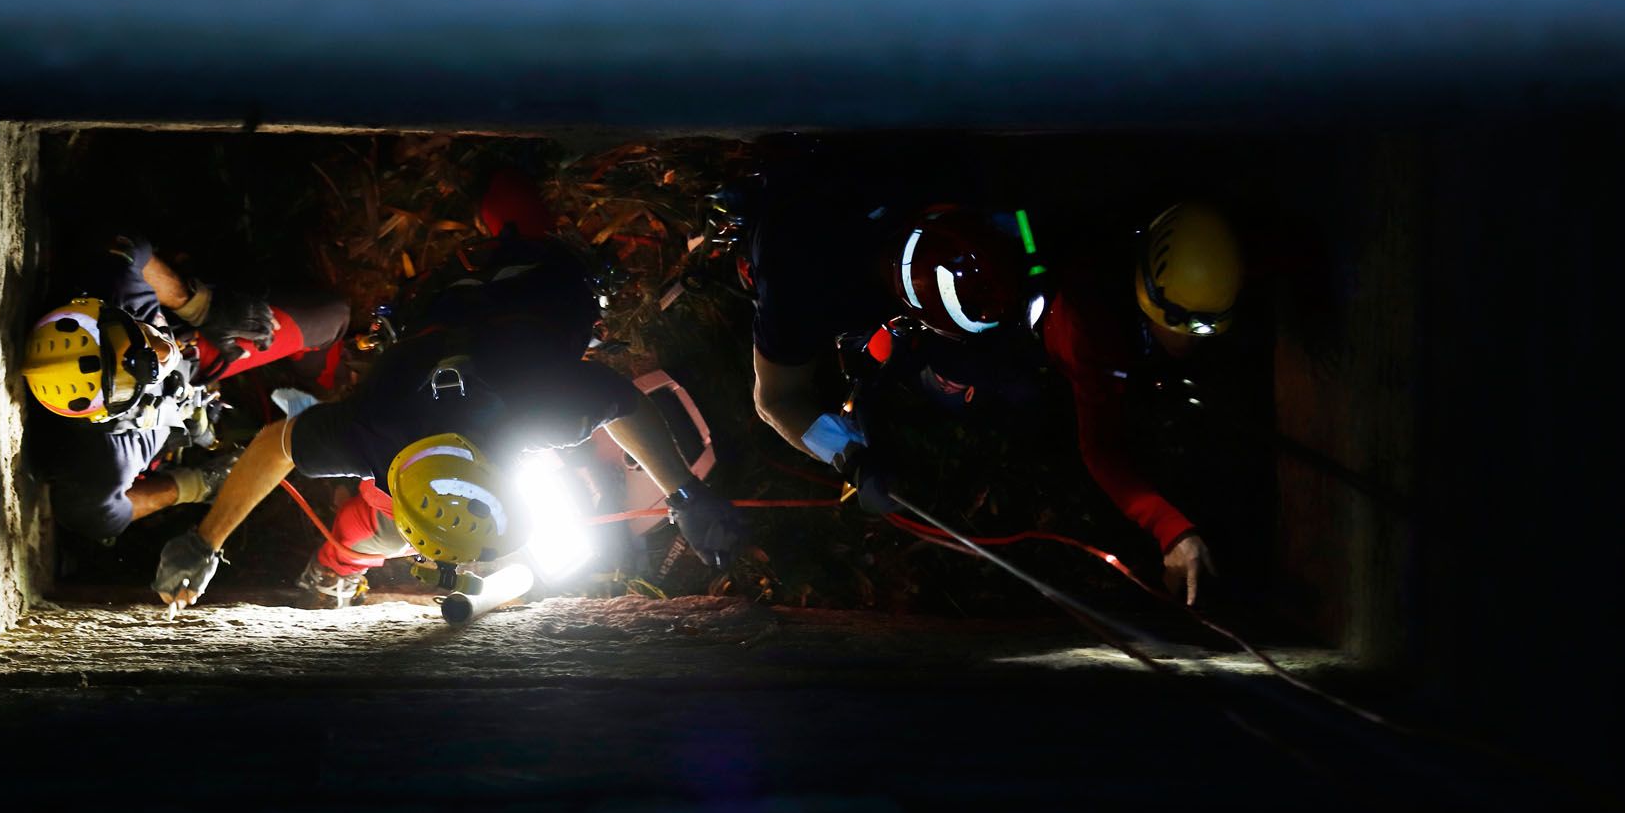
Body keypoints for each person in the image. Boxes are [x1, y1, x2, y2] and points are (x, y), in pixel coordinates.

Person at [151, 186, 743, 609]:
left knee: (515, 218)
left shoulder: (537, 412)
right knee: (366, 529)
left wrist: (687, 494)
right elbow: (275, 445)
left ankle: (505, 202)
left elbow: (625, 402)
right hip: (483, 301)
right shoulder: (386, 432)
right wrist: (204, 542)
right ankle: (335, 571)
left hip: (508, 294)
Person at [738, 150, 1040, 511]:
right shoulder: (800, 295)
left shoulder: (961, 185)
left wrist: (854, 458)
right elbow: (775, 399)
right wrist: (846, 454)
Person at [22, 236, 350, 542]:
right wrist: (191, 485)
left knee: (331, 316)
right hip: (183, 401)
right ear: (106, 415)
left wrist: (198, 304)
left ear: (99, 310)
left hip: (195, 351)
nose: (162, 352)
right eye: (141, 370)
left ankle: (325, 390)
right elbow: (97, 519)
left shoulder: (111, 289)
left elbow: (128, 246)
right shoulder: (101, 463)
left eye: (138, 335)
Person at [1041, 202, 1243, 605]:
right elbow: (1100, 450)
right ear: (1150, 302)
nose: (1194, 341)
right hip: (1077, 374)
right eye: (1184, 329)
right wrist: (1172, 530)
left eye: (1208, 327)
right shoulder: (1085, 328)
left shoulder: (1206, 264)